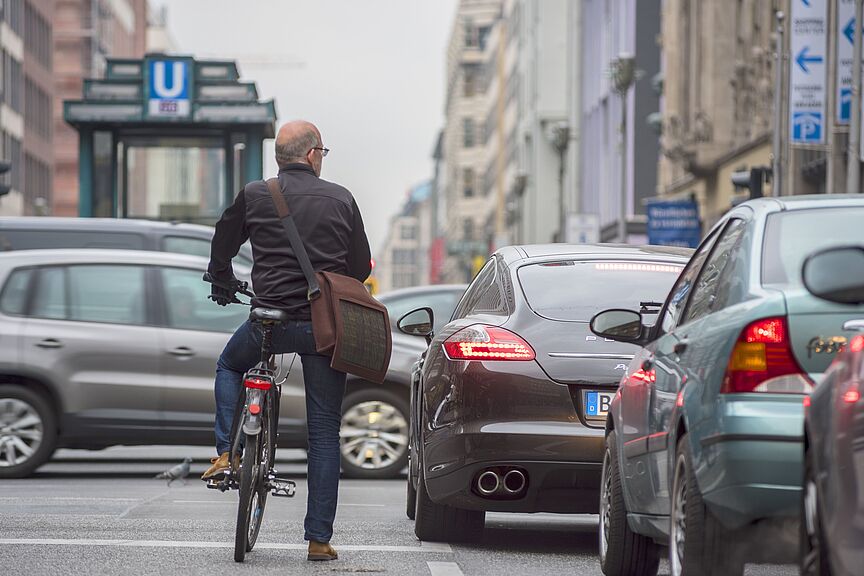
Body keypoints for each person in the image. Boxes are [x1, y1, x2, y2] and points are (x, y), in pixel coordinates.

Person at [202, 120, 371, 562]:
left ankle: (226, 453)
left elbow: (223, 239)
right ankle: (318, 540)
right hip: (322, 326)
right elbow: (359, 266)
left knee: (230, 365)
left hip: (268, 321)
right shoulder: (341, 199)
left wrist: (221, 279)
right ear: (313, 154)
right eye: (322, 152)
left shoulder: (256, 194)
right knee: (324, 430)